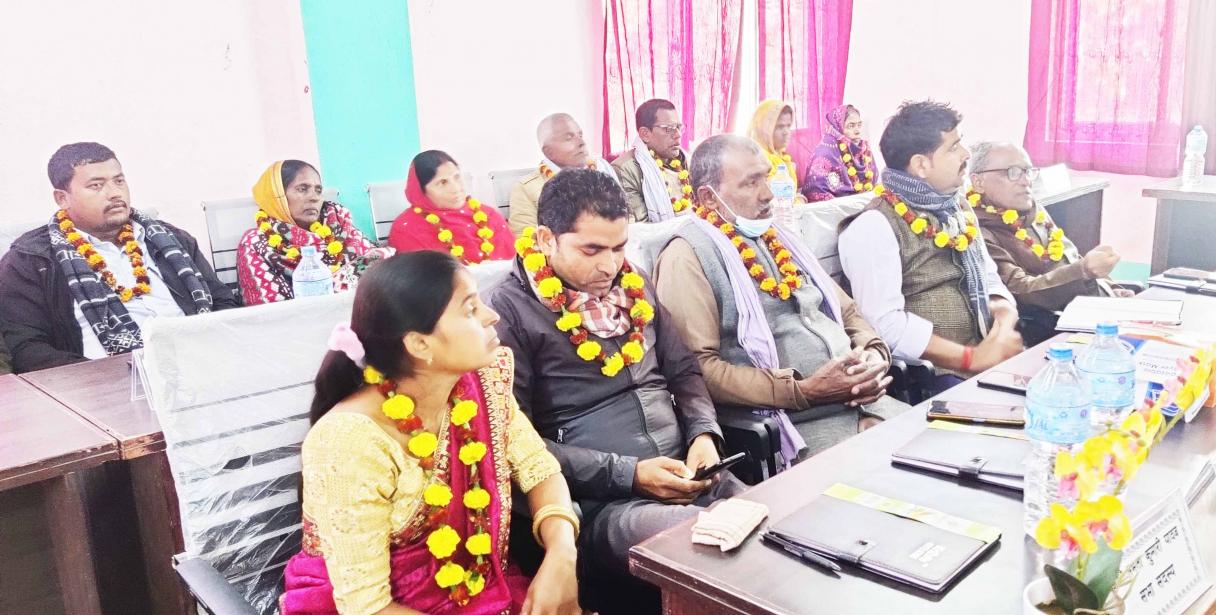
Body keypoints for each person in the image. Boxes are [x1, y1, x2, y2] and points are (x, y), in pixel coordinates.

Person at [485, 169, 742, 613]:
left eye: (619, 247)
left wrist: (704, 434)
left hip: (687, 472)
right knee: (709, 545)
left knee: (771, 521)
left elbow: (684, 372)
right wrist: (630, 474)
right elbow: (515, 445)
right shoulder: (508, 312)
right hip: (602, 505)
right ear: (546, 239)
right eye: (592, 250)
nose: (610, 265)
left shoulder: (632, 282)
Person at [282, 251, 580, 615]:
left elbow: (539, 469)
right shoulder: (349, 441)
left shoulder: (481, 386)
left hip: (476, 592)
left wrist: (562, 552)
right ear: (419, 344)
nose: (492, 316)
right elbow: (365, 606)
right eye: (470, 309)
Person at [653, 135, 906, 463]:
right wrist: (805, 390)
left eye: (766, 176)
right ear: (708, 197)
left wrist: (873, 353)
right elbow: (699, 369)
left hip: (872, 404)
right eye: (751, 183)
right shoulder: (686, 256)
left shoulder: (779, 237)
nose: (768, 194)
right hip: (800, 425)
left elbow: (847, 312)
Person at [0, 142, 238, 373]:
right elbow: (27, 350)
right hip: (102, 385)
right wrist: (104, 376)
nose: (114, 193)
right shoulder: (31, 260)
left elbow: (223, 303)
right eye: (96, 185)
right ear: (62, 198)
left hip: (202, 367)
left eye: (119, 181)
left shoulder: (171, 239)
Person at [837, 101, 1022, 392]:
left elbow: (989, 278)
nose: (966, 154)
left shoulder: (957, 207)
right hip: (936, 377)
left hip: (991, 360)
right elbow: (884, 326)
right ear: (921, 165)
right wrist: (970, 358)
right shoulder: (874, 226)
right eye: (954, 147)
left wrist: (1003, 322)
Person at [967, 142, 1128, 329]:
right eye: (1013, 172)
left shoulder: (1032, 210)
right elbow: (1020, 291)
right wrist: (1084, 271)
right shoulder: (979, 231)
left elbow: (1069, 257)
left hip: (1095, 307)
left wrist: (1111, 288)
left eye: (1028, 172)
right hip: (1056, 324)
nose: (1026, 181)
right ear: (978, 182)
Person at [237, 160, 383, 305]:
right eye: (302, 189)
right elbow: (269, 311)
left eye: (318, 190)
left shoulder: (340, 226)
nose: (314, 197)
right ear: (276, 196)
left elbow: (382, 270)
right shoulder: (256, 243)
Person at [389, 150, 516, 264]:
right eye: (442, 182)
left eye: (457, 177)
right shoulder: (407, 229)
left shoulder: (488, 215)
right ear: (421, 191)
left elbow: (516, 265)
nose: (456, 188)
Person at [508, 114, 619, 236]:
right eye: (569, 138)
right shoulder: (526, 189)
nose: (582, 142)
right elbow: (527, 241)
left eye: (580, 135)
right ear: (548, 151)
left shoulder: (602, 170)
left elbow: (626, 218)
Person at [611, 99, 692, 222]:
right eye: (669, 129)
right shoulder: (624, 170)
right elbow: (641, 227)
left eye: (679, 127)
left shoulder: (685, 159)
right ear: (645, 134)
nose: (678, 135)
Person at [802, 104, 879, 202]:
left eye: (859, 125)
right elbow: (816, 190)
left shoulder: (864, 151)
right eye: (851, 126)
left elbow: (872, 183)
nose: (857, 131)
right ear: (838, 127)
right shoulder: (825, 153)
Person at [746, 100, 805, 204]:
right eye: (780, 127)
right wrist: (798, 200)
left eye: (788, 126)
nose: (786, 132)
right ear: (763, 129)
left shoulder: (781, 157)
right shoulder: (757, 160)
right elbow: (773, 202)